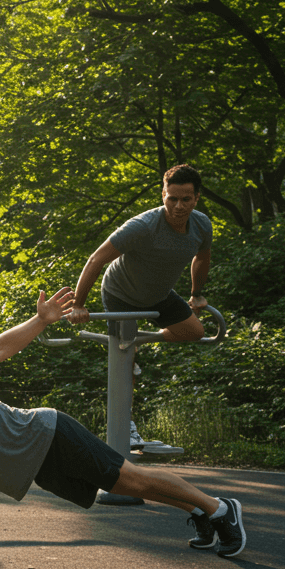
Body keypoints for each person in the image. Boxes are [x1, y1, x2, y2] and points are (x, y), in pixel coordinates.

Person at [0, 287, 247, 558]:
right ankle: (199, 512)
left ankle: (221, 508)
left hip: (49, 435)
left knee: (133, 480)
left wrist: (41, 321)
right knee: (121, 483)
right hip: (39, 469)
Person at [69, 164, 213, 447]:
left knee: (196, 331)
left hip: (159, 294)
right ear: (163, 195)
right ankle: (126, 426)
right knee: (123, 359)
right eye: (172, 198)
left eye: (186, 199)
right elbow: (96, 259)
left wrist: (196, 293)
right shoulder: (143, 226)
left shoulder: (202, 225)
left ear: (196, 198)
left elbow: (202, 257)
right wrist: (78, 305)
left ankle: (137, 342)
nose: (178, 205)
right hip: (120, 293)